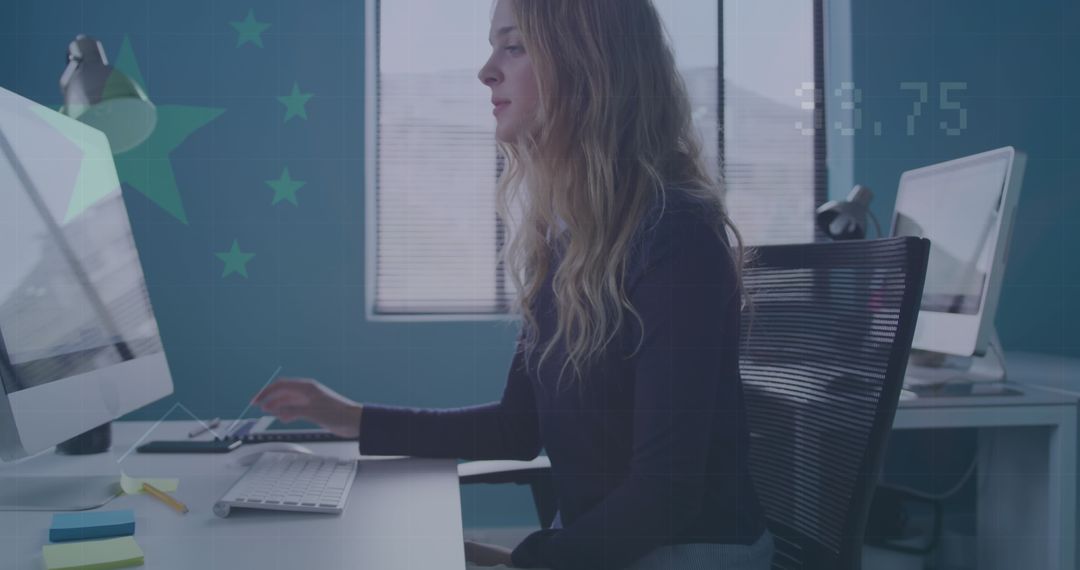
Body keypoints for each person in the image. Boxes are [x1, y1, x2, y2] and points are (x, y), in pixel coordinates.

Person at [252, 0, 773, 568]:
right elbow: (515, 429)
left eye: (514, 46)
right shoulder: (572, 237)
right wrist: (348, 417)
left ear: (588, 66)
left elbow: (666, 496)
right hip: (610, 544)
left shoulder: (676, 237)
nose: (486, 71)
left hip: (687, 552)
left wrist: (519, 563)